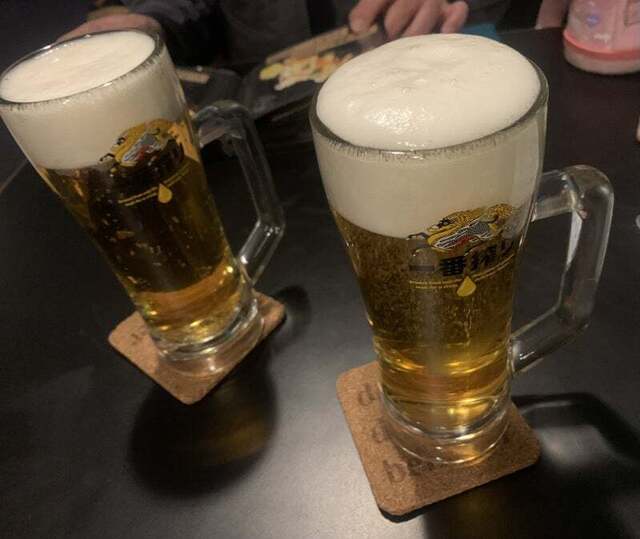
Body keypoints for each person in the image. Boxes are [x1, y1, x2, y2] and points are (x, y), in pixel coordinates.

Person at [58, 0, 510, 66]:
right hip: (269, 132)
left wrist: (447, 9)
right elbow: (191, 7)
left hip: (413, 74)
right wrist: (154, 23)